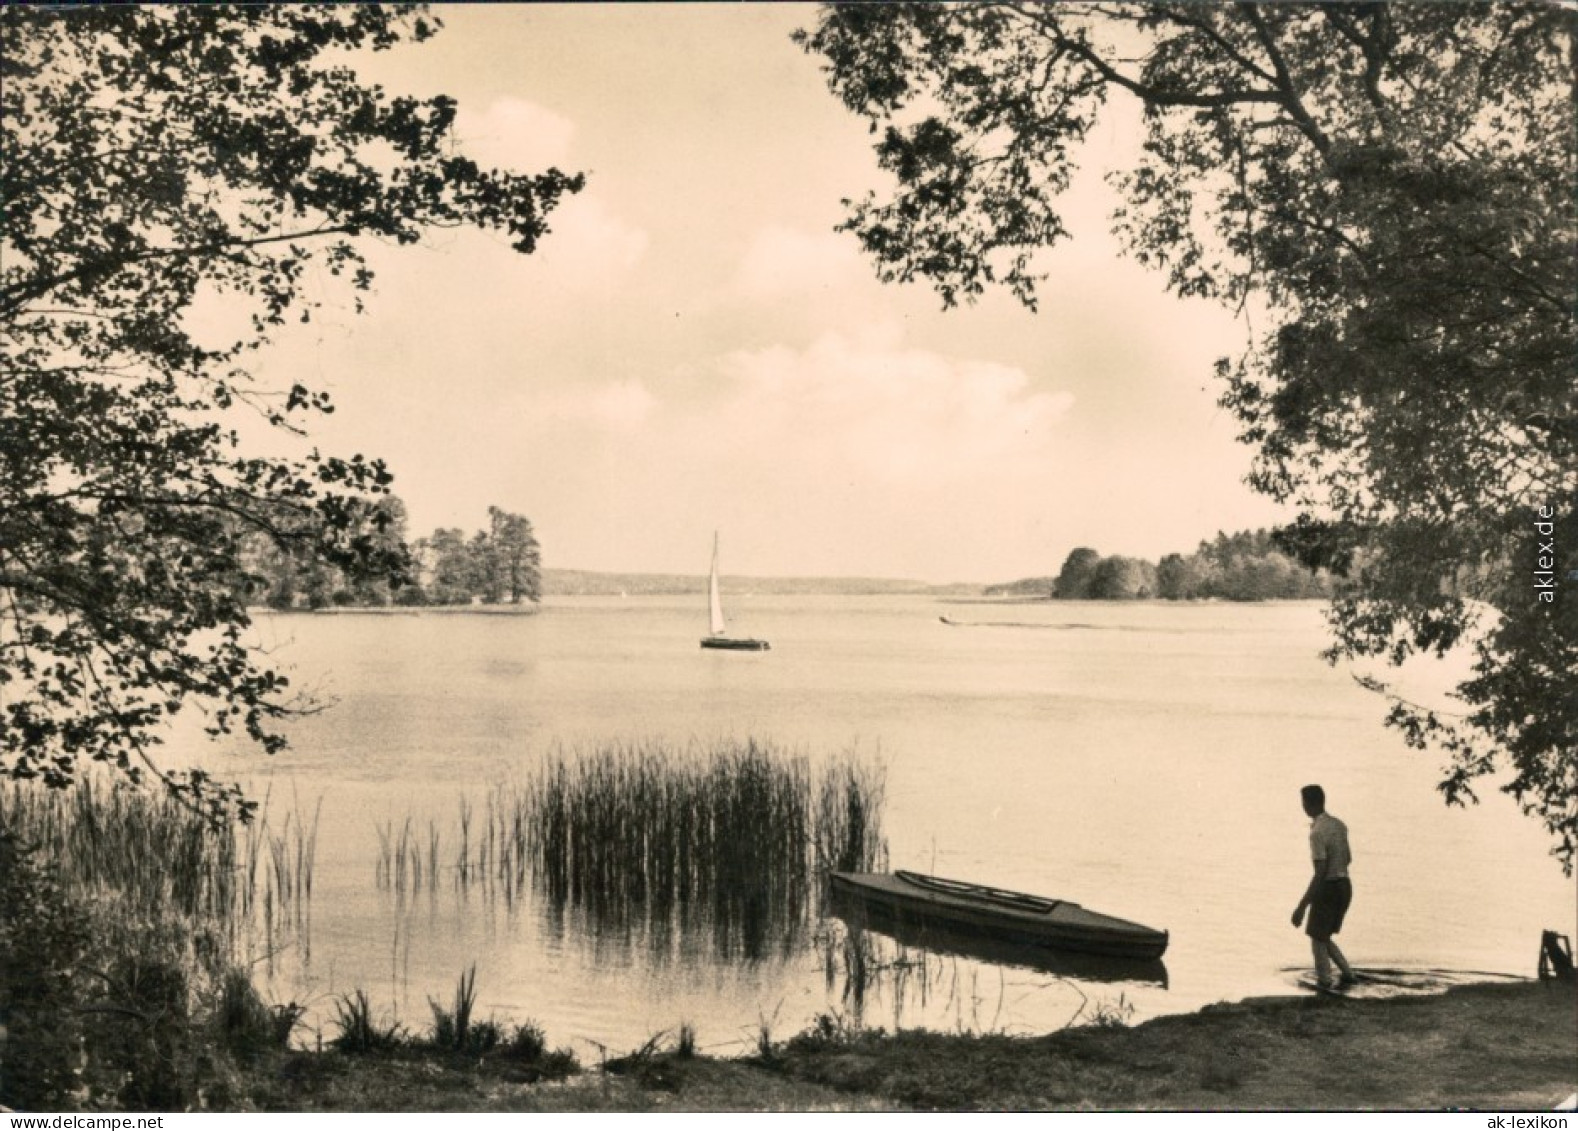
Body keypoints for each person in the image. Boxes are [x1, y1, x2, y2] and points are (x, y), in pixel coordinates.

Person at [1291, 783, 1357, 990]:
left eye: (1303, 802)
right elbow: (1348, 858)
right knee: (1322, 936)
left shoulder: (1316, 833)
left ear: (1308, 804)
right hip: (1345, 885)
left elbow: (1320, 873)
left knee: (1316, 936)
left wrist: (1302, 906)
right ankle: (1348, 975)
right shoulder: (1339, 825)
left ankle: (1325, 982)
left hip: (1329, 887)